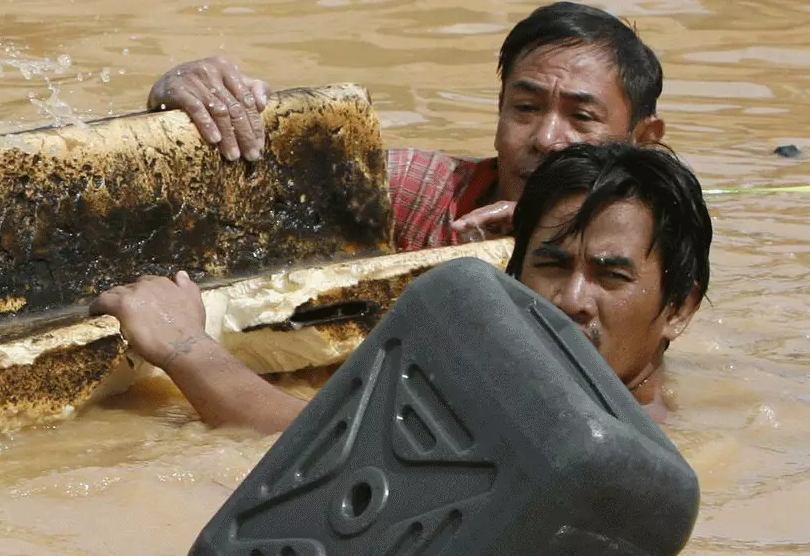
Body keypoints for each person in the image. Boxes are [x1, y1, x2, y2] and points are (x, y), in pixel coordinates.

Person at [93, 141, 709, 431]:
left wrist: (183, 347)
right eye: (551, 265)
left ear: (678, 308)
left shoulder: (604, 435)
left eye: (610, 275)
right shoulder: (530, 389)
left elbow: (321, 446)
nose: (571, 298)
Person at [143, 1, 668, 250]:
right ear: (499, 111)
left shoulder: (646, 255)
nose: (547, 139)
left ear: (643, 141)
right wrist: (178, 115)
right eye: (525, 109)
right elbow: (227, 214)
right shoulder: (416, 193)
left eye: (582, 117)